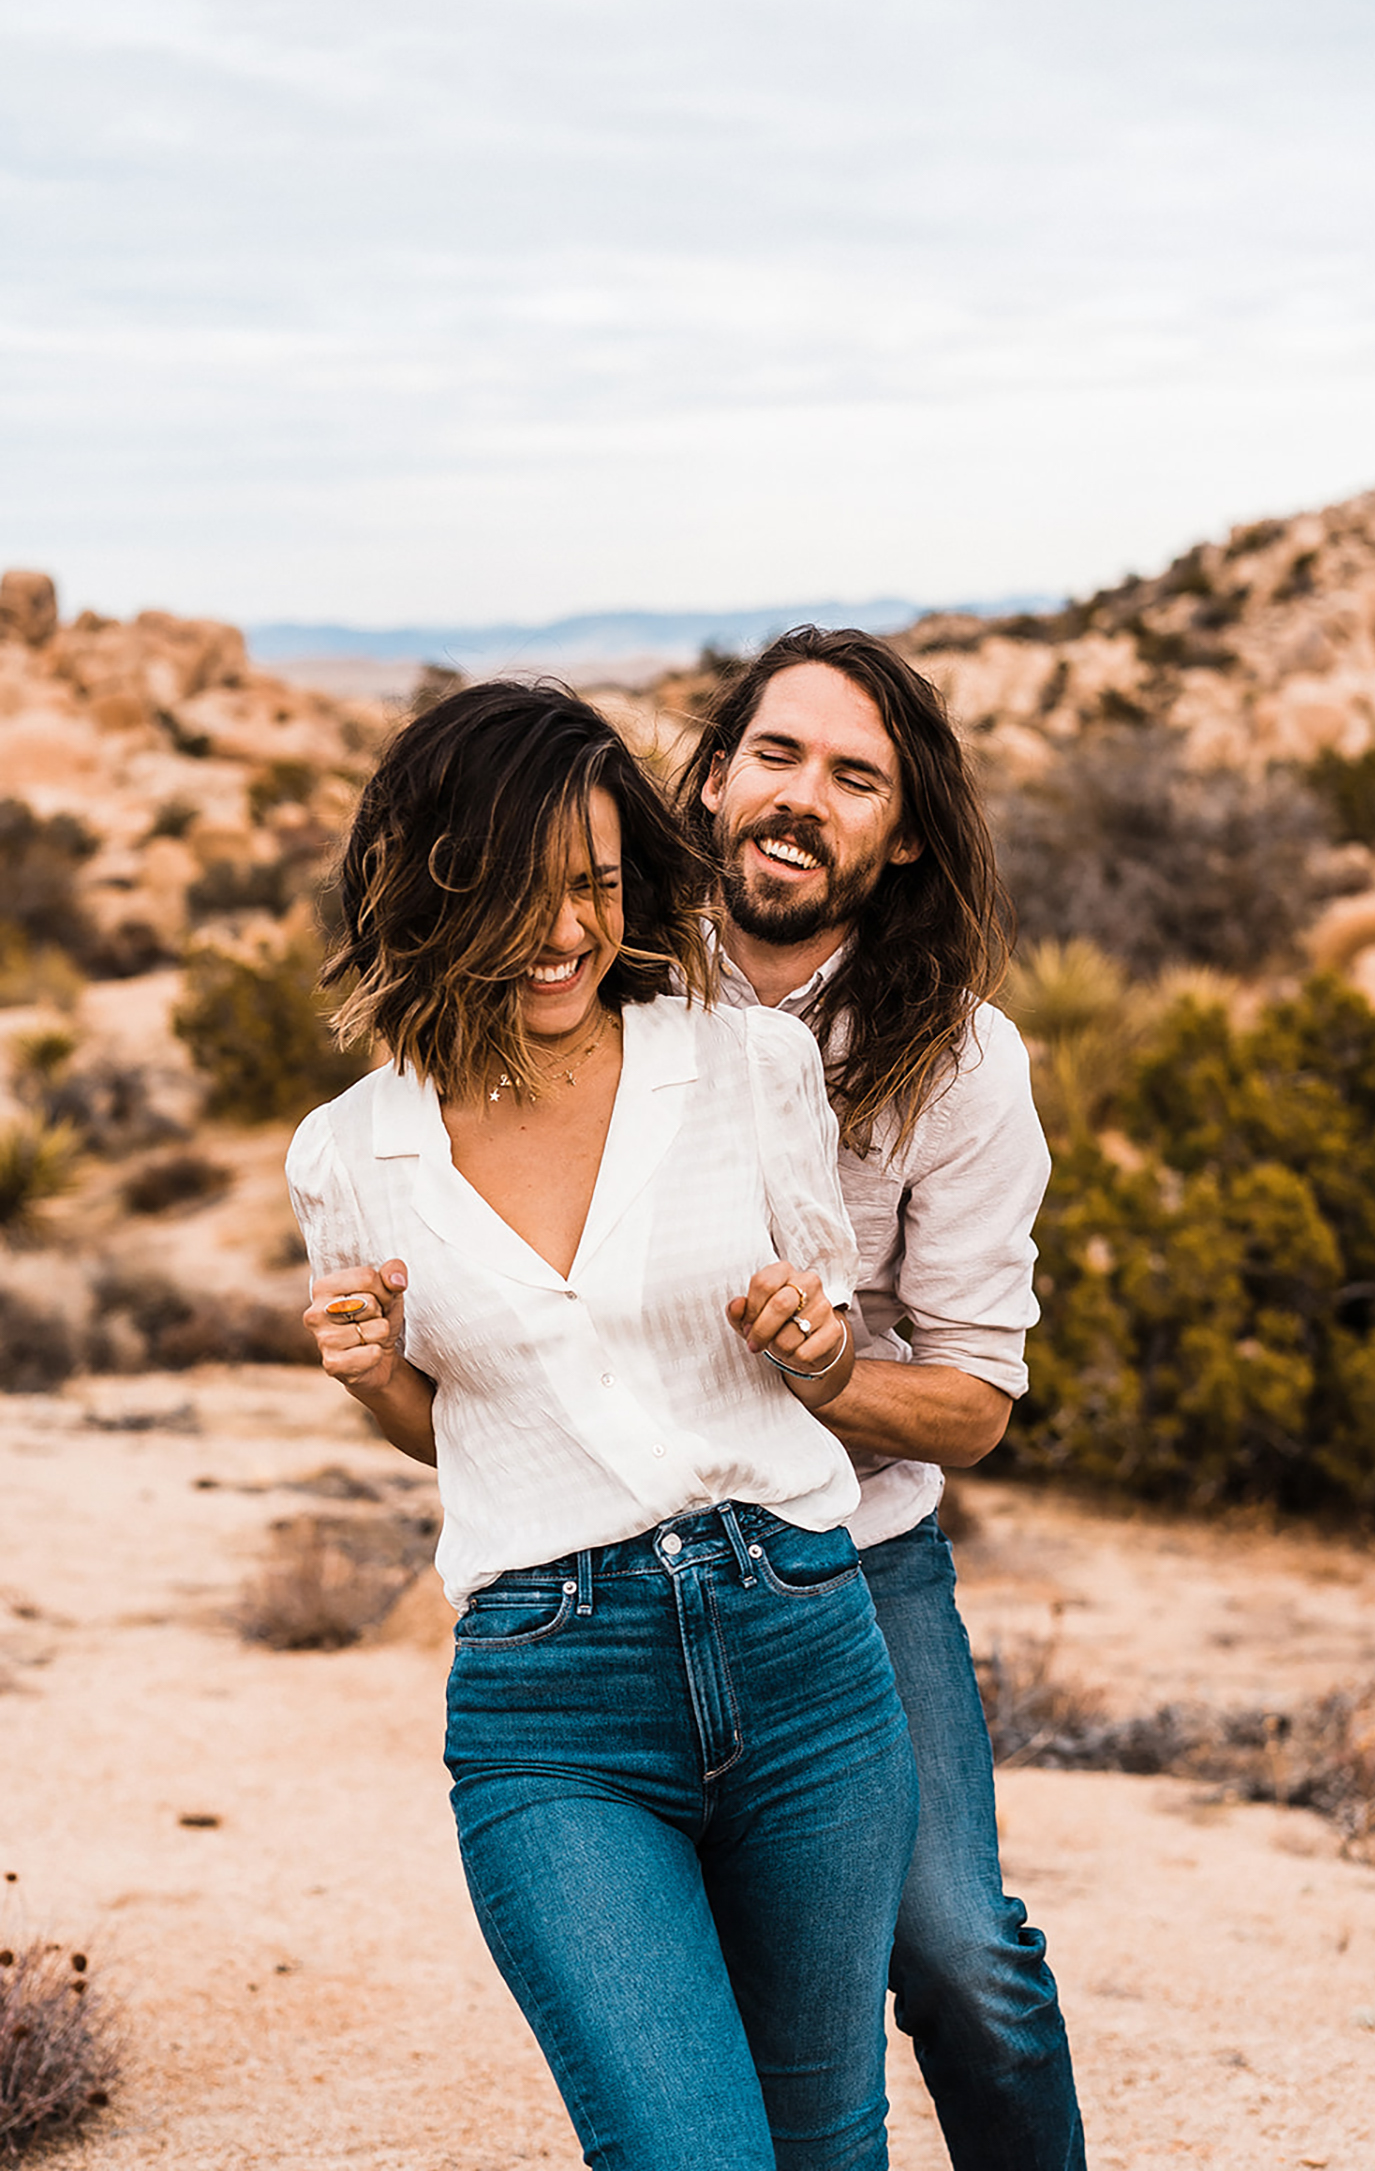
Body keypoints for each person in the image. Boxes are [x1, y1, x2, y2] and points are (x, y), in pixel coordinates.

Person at [285, 679, 919, 2171]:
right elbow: (470, 1434)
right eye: (525, 889)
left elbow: (826, 1324)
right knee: (690, 2150)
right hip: (553, 1704)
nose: (567, 928)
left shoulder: (743, 1064)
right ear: (439, 884)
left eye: (597, 883)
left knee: (830, 2140)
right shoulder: (350, 1153)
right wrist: (376, 1373)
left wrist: (816, 1342)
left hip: (802, 1654)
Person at [675, 627, 1087, 2171]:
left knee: (957, 1956)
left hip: (860, 1560)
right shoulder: (611, 994)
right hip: (648, 1556)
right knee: (731, 1989)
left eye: (855, 777)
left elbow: (976, 1405)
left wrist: (830, 1371)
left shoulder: (961, 1062)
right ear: (716, 776)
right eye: (776, 755)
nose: (801, 798)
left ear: (901, 831)